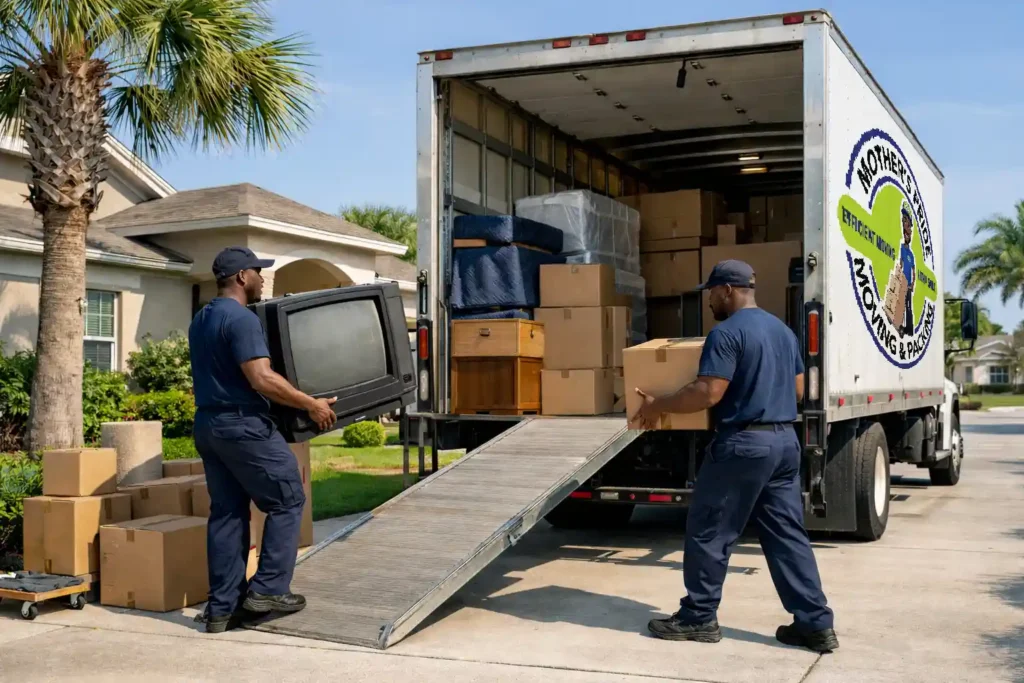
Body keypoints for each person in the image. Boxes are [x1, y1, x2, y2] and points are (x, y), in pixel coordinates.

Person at [633, 259, 838, 653]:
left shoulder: (725, 334)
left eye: (711, 291)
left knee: (710, 530)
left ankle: (698, 617)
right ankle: (815, 624)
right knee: (787, 536)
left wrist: (660, 405)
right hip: (783, 444)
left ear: (727, 290)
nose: (709, 299)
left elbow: (708, 392)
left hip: (743, 445)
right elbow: (798, 391)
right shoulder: (782, 331)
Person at [189, 246, 338, 633]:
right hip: (243, 427)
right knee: (288, 499)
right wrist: (311, 405)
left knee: (227, 513)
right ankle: (269, 589)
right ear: (241, 277)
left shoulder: (201, 319)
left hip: (209, 426)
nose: (261, 278)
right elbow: (261, 378)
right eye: (258, 271)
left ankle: (222, 609)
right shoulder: (240, 319)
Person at [898, 203, 917, 337]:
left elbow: (914, 271)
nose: (907, 229)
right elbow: (900, 264)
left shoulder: (910, 254)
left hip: (908, 284)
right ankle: (901, 326)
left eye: (909, 225)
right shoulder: (901, 249)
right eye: (904, 222)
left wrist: (912, 284)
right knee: (901, 305)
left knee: (908, 307)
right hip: (902, 282)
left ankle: (909, 328)